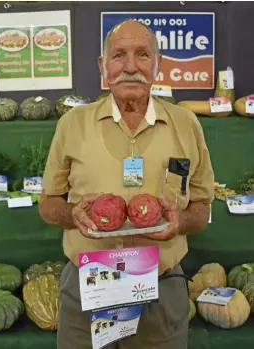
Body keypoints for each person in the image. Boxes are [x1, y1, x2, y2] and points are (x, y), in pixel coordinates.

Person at [39, 19, 214, 349]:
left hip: (160, 290)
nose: (130, 66)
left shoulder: (186, 124)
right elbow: (48, 203)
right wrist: (72, 214)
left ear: (157, 65)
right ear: (102, 66)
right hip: (88, 286)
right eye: (118, 55)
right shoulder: (72, 124)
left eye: (143, 55)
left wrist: (182, 221)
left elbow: (202, 209)